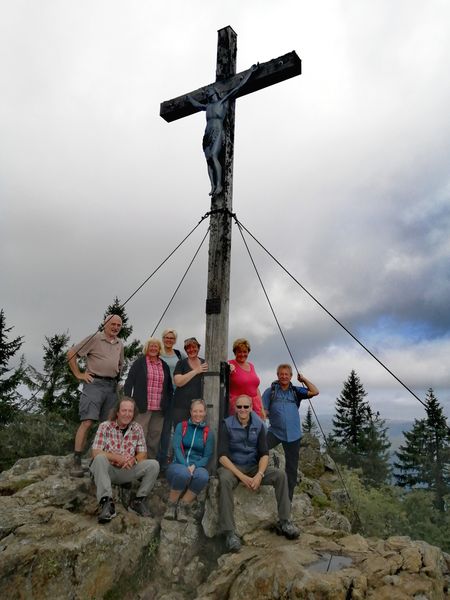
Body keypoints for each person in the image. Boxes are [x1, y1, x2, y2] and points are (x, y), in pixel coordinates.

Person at [217, 394, 299, 553]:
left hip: (254, 466)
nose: (242, 410)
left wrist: (259, 475)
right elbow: (222, 456)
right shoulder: (227, 424)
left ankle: (285, 521)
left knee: (280, 475)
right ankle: (229, 533)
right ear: (235, 408)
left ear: (251, 408)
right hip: (234, 466)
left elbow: (264, 453)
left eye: (246, 407)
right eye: (239, 407)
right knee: (225, 480)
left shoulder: (260, 425)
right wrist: (242, 477)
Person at [186, 64, 258, 196]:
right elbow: (196, 104)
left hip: (218, 130)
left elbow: (239, 86)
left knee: (214, 156)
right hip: (208, 133)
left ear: (214, 92)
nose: (206, 93)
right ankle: (213, 186)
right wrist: (188, 98)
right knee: (208, 159)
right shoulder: (208, 106)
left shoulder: (223, 102)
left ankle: (219, 185)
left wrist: (250, 72)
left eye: (208, 92)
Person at [67, 314, 124, 477]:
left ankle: (98, 461)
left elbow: (119, 365)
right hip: (94, 384)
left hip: (111, 387)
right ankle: (76, 461)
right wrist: (79, 374)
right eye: (112, 324)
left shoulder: (120, 343)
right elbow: (71, 353)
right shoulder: (95, 338)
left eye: (118, 325)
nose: (115, 327)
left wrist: (116, 380)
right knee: (87, 421)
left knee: (109, 425)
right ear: (105, 324)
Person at [90, 397, 160, 523]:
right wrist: (117, 457)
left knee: (154, 465)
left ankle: (138, 501)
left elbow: (143, 453)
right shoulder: (105, 426)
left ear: (134, 413)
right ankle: (107, 505)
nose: (127, 414)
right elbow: (95, 452)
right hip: (108, 471)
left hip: (127, 470)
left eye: (130, 411)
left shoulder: (137, 428)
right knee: (100, 458)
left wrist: (134, 460)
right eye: (124, 410)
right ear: (117, 412)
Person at [262, 364, 319, 501]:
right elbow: (263, 411)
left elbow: (315, 391)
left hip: (293, 435)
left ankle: (288, 500)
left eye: (286, 374)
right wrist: (267, 415)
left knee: (291, 469)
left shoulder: (296, 391)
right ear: (277, 375)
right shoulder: (270, 391)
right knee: (260, 448)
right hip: (275, 432)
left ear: (291, 376)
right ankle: (256, 475)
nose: (284, 376)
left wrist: (304, 379)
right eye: (281, 374)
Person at [164, 399, 214, 522]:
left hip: (196, 466)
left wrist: (194, 466)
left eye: (201, 411)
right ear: (191, 412)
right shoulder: (182, 426)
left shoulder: (208, 432)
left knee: (203, 476)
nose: (198, 414)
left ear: (205, 413)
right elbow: (176, 447)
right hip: (178, 464)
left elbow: (207, 456)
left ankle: (183, 505)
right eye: (195, 411)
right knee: (183, 473)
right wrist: (186, 465)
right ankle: (171, 506)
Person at [123, 338, 173, 460]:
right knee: (139, 436)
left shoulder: (164, 365)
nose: (153, 348)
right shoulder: (139, 363)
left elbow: (169, 387)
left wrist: (167, 403)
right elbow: (129, 382)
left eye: (156, 346)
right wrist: (128, 401)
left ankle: (150, 464)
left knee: (154, 437)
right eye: (151, 346)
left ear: (159, 349)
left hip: (159, 409)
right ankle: (135, 463)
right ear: (147, 347)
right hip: (142, 407)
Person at [158, 329, 186, 468]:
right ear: (163, 339)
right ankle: (162, 459)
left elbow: (189, 365)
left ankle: (177, 458)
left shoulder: (179, 354)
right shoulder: (157, 353)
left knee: (178, 427)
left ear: (175, 340)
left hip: (179, 394)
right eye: (166, 337)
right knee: (165, 428)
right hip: (163, 394)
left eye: (171, 338)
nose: (169, 340)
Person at [172, 337, 208, 426]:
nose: (191, 350)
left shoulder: (205, 363)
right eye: (188, 348)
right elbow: (178, 382)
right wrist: (196, 371)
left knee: (197, 432)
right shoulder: (181, 363)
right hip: (181, 406)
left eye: (194, 347)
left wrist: (229, 368)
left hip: (198, 408)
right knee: (180, 431)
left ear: (198, 348)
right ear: (186, 350)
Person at [228, 337, 265, 419]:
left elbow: (256, 388)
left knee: (257, 430)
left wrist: (262, 408)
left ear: (248, 352)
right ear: (235, 352)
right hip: (240, 408)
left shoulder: (251, 365)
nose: (242, 354)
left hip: (255, 407)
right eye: (239, 352)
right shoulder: (229, 364)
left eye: (245, 352)